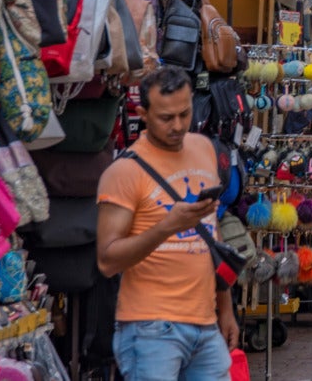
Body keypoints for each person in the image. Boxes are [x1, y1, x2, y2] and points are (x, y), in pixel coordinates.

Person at [96, 66, 237, 379]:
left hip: (205, 323)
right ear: (143, 114)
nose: (177, 125)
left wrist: (226, 309)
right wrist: (166, 227)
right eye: (166, 117)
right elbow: (107, 260)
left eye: (184, 114)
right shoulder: (123, 172)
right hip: (150, 328)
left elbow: (212, 236)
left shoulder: (203, 149)